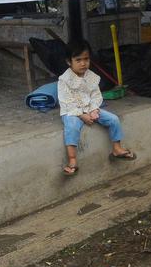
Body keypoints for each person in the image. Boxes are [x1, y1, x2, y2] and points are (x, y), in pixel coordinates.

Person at [58, 39, 136, 176]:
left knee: (113, 119)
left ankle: (117, 148)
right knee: (72, 127)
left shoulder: (92, 77)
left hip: (90, 108)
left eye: (86, 59)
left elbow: (96, 96)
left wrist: (94, 109)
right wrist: (81, 115)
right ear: (69, 62)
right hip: (72, 111)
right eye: (78, 60)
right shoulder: (64, 80)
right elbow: (66, 101)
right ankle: (72, 160)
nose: (83, 63)